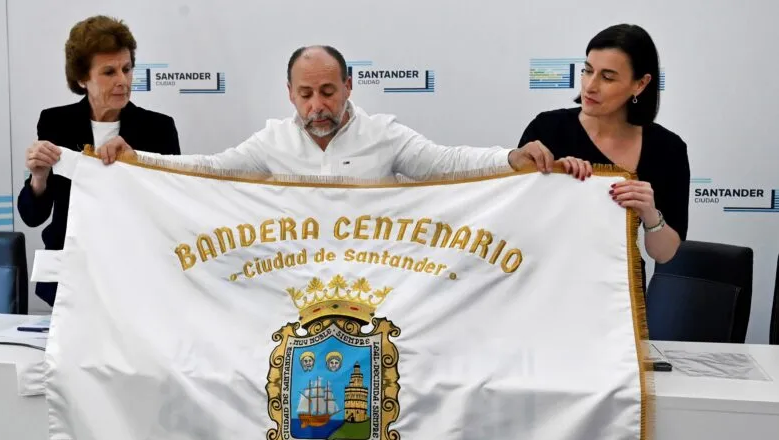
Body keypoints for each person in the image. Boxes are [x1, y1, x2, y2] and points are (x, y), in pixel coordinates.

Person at [97, 45, 591, 180]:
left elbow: (447, 163)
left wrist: (510, 159)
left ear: (349, 87)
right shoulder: (272, 140)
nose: (318, 105)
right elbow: (209, 167)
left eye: (328, 91)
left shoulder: (384, 134)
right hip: (292, 285)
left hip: (376, 286)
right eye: (306, 94)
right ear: (290, 94)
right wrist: (139, 160)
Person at [18, 15, 181, 306]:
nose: (122, 81)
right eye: (109, 72)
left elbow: (173, 208)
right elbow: (33, 217)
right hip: (70, 277)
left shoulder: (159, 128)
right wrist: (39, 178)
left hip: (138, 277)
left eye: (126, 69)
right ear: (82, 79)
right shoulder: (55, 122)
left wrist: (139, 164)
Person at [519, 24, 689, 265]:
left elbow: (665, 254)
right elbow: (517, 219)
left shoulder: (668, 148)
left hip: (617, 281)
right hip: (547, 275)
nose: (590, 86)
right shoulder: (547, 129)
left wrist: (650, 214)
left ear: (640, 84)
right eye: (587, 71)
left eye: (607, 77)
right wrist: (553, 179)